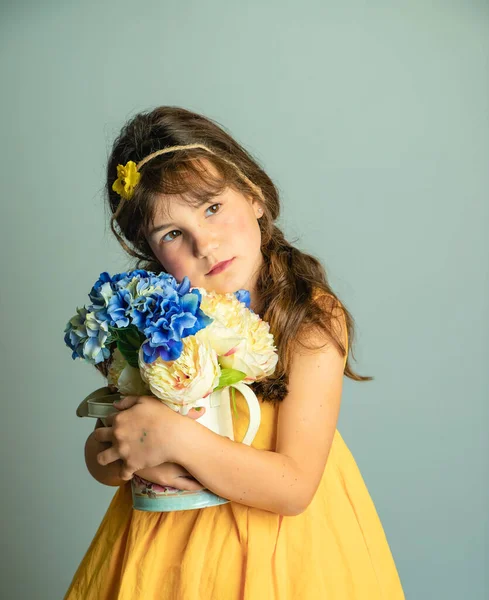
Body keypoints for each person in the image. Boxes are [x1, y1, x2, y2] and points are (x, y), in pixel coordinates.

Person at [64, 106, 405, 599]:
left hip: (286, 549)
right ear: (152, 251)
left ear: (254, 195)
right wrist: (114, 457)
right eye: (173, 234)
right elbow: (108, 444)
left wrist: (175, 439)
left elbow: (293, 488)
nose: (205, 243)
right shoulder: (156, 316)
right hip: (170, 551)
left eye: (212, 207)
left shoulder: (309, 315)